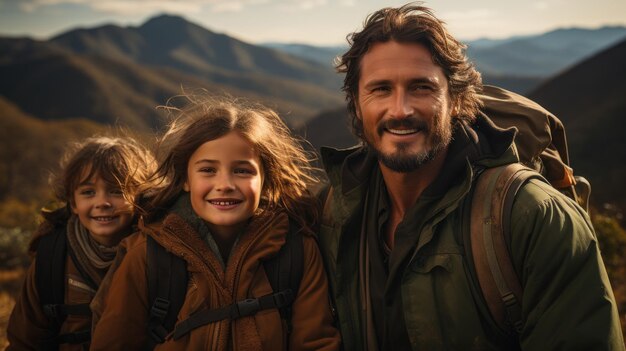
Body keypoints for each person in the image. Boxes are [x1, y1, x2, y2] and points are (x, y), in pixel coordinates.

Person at [316, 3, 624, 350]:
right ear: (357, 104)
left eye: (422, 87)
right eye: (380, 89)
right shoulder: (331, 214)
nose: (400, 109)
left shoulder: (533, 217)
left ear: (457, 101)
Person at [90, 96, 340, 350]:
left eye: (242, 170)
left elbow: (316, 342)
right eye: (208, 170)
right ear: (185, 180)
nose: (225, 185)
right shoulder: (147, 254)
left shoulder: (296, 249)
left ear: (265, 179)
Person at [6, 136, 156, 350]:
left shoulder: (156, 255)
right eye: (88, 192)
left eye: (116, 191)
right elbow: (25, 341)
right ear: (73, 202)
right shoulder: (52, 257)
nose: (101, 203)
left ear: (140, 197)